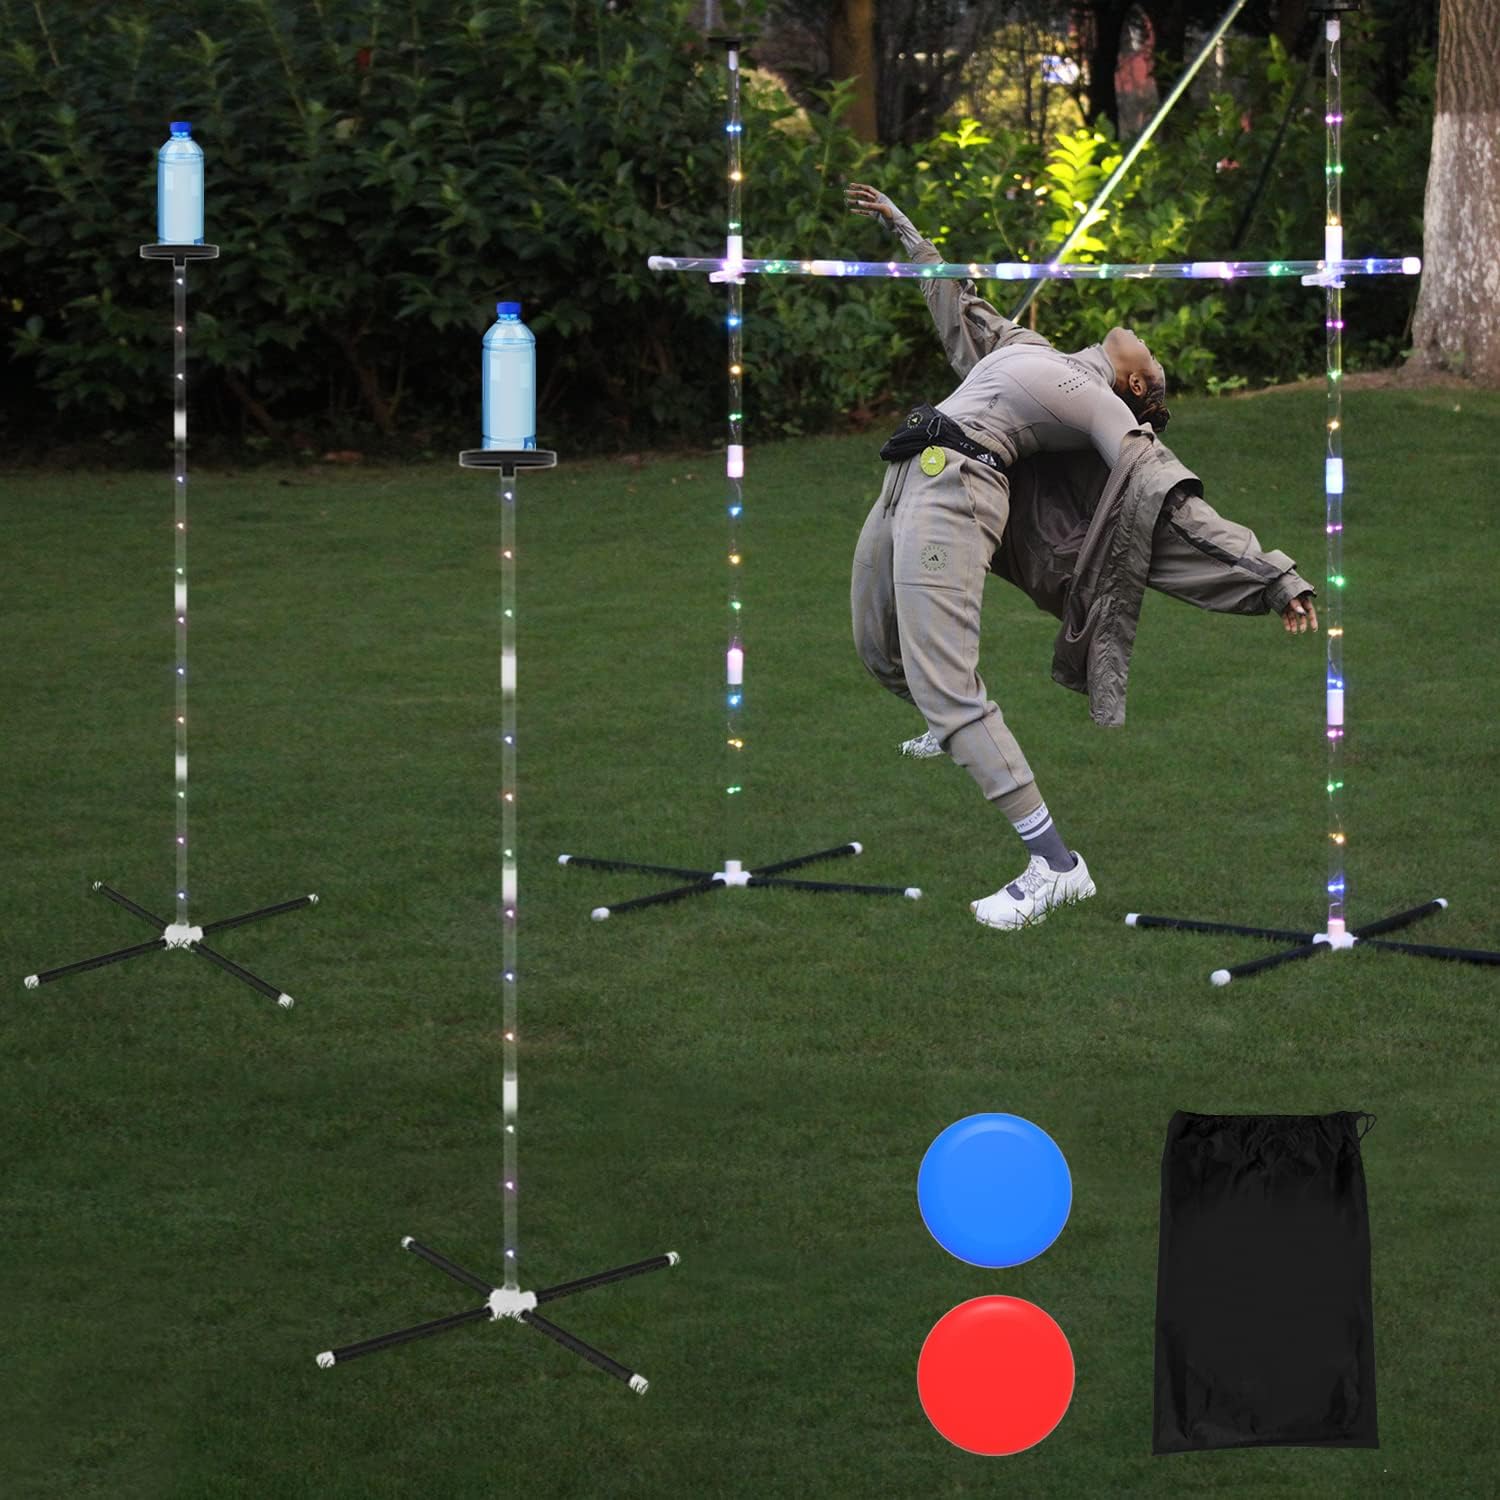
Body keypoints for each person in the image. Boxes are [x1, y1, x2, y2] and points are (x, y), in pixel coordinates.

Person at [845, 182, 1318, 931]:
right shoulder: (1026, 349)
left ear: (1136, 383)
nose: (1144, 340)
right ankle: (947, 723)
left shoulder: (1098, 401)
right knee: (877, 649)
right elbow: (957, 304)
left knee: (949, 687)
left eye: (1151, 360)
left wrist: (1272, 573)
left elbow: (1165, 493)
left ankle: (1056, 867)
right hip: (905, 473)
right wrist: (905, 229)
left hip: (957, 489)